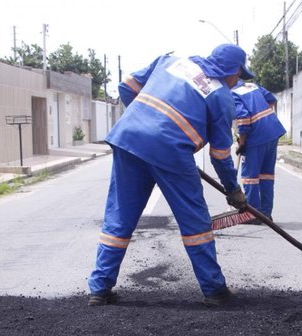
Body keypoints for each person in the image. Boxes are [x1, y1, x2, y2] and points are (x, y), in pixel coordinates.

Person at [87, 44, 254, 307]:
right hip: (171, 150)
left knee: (119, 217)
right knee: (194, 220)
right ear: (232, 70)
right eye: (239, 76)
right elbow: (221, 155)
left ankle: (99, 289)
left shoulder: (169, 61)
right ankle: (214, 290)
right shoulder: (221, 97)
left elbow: (126, 88)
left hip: (128, 137)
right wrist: (233, 190)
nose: (238, 82)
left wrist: (145, 122)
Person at [232, 80, 287, 222]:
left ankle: (252, 214)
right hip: (272, 133)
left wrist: (242, 142)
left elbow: (243, 118)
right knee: (266, 176)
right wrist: (264, 120)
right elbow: (271, 99)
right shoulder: (252, 86)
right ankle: (265, 213)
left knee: (250, 177)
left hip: (256, 137)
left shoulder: (233, 93)